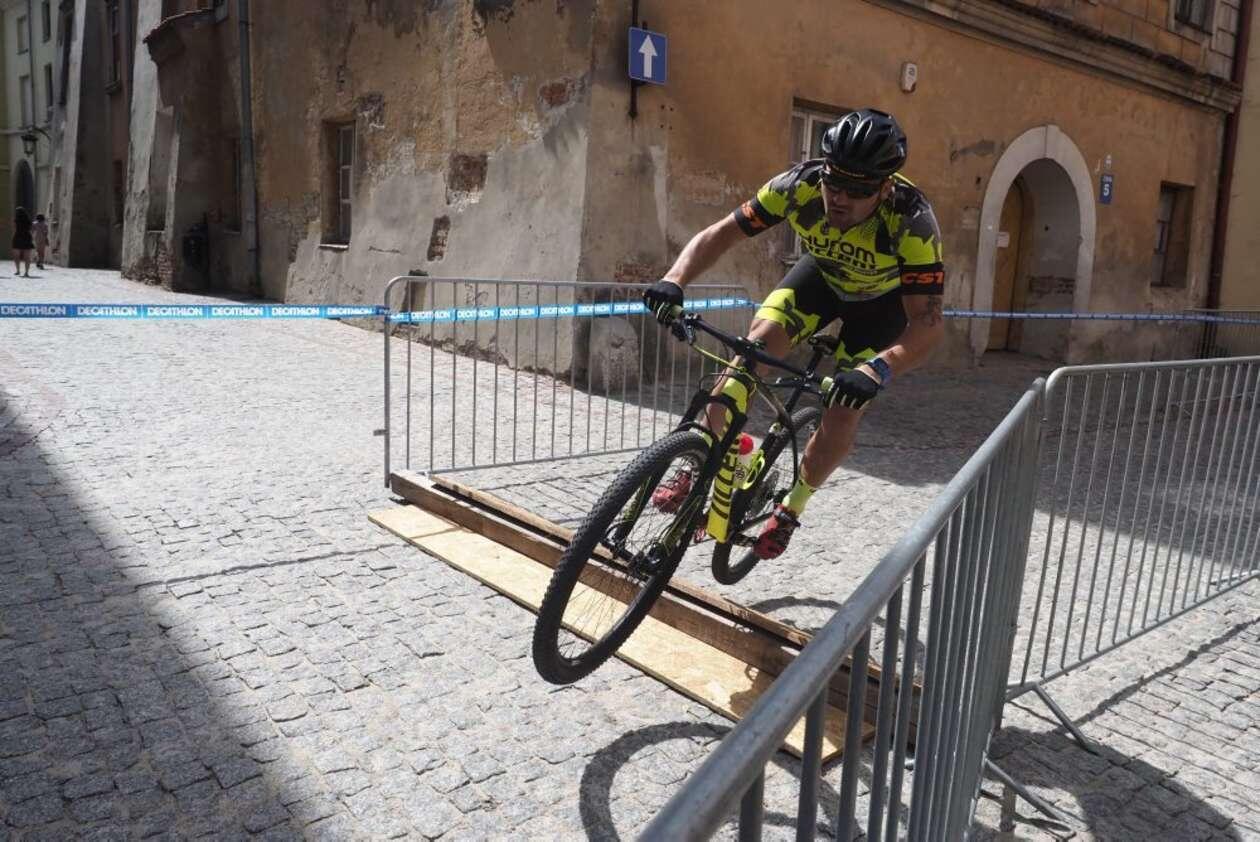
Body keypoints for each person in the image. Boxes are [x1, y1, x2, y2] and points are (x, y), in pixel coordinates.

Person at [643, 108, 946, 560]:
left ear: (884, 189)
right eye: (833, 183)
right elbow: (722, 233)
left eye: (858, 190)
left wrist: (877, 369)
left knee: (842, 410)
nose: (839, 198)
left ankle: (791, 507)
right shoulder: (798, 185)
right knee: (749, 356)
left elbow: (927, 322)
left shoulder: (911, 221)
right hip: (820, 280)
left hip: (879, 306)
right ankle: (696, 463)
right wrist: (674, 279)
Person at [11, 207, 34, 277]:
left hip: (18, 237)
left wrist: (13, 238)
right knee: (27, 257)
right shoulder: (28, 220)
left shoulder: (16, 220)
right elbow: (31, 230)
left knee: (16, 256)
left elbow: (14, 229)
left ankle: (18, 270)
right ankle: (26, 272)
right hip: (27, 237)